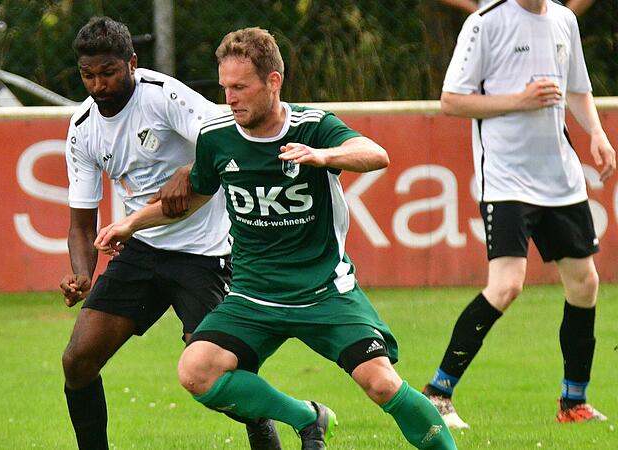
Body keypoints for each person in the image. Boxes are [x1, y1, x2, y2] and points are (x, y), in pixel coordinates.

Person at [94, 27, 457, 450]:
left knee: (380, 384)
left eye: (240, 87)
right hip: (253, 295)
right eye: (225, 87)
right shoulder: (217, 138)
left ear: (273, 82)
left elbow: (376, 154)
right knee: (196, 371)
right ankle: (307, 415)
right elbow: (193, 195)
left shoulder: (313, 126)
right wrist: (130, 224)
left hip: (323, 290)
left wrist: (323, 156)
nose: (230, 98)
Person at [60, 17, 283, 450]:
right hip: (143, 248)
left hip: (205, 251)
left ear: (131, 63)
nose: (99, 84)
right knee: (78, 360)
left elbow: (225, 135)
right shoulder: (82, 128)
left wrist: (189, 171)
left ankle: (276, 427)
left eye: (108, 72)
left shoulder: (162, 96)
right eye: (88, 75)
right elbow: (80, 223)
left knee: (211, 375)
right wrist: (81, 273)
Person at [421, 0, 615, 429]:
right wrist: (520, 100)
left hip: (560, 178)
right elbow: (452, 101)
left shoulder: (564, 19)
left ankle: (573, 403)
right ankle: (437, 392)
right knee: (507, 285)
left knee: (585, 283)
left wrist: (597, 134)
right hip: (507, 179)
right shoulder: (484, 23)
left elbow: (578, 89)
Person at [439, 0, 594, 15]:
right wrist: (475, 9)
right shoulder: (481, 24)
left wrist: (564, 18)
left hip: (543, 25)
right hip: (494, 28)